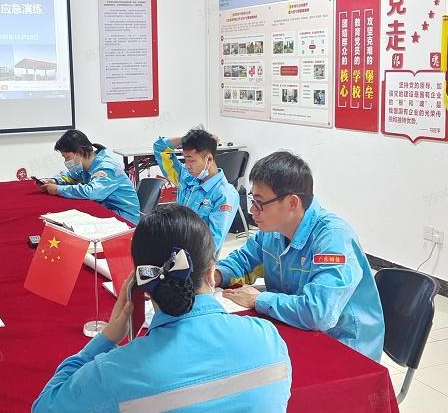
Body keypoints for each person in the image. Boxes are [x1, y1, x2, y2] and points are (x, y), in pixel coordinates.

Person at [33, 204, 291, 412]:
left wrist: (107, 337)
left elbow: (45, 406)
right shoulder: (268, 338)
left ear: (140, 285)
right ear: (212, 273)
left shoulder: (115, 372)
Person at [216, 151, 385, 361]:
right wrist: (217, 275)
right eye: (252, 199)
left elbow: (318, 313)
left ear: (292, 203)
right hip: (297, 328)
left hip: (344, 346)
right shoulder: (274, 230)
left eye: (259, 203)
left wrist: (258, 299)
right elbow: (244, 260)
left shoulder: (333, 238)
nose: (252, 210)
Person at [153, 128, 239, 251]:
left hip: (195, 257)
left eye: (191, 160)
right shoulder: (185, 177)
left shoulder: (224, 195)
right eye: (185, 159)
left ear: (209, 159)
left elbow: (211, 245)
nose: (187, 165)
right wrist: (188, 138)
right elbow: (160, 147)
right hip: (174, 247)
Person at [38, 130, 140, 223]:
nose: (66, 161)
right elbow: (72, 177)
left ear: (79, 152)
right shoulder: (87, 164)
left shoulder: (106, 167)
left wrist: (58, 190)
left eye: (67, 157)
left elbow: (92, 192)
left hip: (124, 218)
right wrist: (54, 181)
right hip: (105, 210)